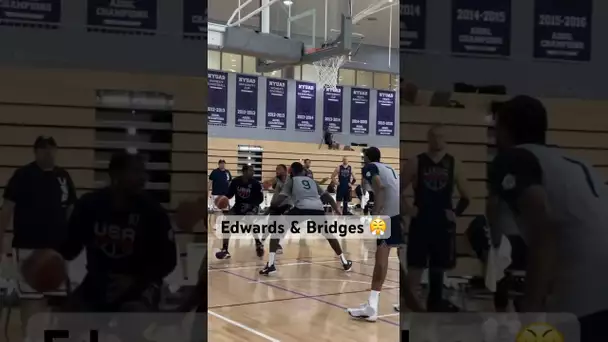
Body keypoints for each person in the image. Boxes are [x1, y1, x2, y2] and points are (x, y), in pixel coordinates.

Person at [487, 95, 608, 341]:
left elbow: (544, 231)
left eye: (496, 129)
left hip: (580, 299)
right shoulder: (576, 163)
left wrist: (530, 313)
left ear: (506, 129)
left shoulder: (512, 159)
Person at [57, 150, 177, 313]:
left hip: (141, 284)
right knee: (68, 317)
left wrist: (135, 280)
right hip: (98, 282)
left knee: (132, 315)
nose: (143, 178)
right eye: (136, 172)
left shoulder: (153, 212)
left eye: (144, 172)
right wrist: (50, 257)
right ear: (115, 175)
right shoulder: (90, 205)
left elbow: (168, 261)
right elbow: (71, 247)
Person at [0, 136, 77, 331]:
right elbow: (7, 209)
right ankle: (31, 336)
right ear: (35, 152)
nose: (48, 152)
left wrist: (74, 241)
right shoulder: (22, 175)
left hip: (57, 249)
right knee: (31, 298)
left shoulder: (63, 177)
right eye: (43, 149)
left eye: (51, 149)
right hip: (29, 248)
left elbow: (71, 211)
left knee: (56, 300)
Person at [347, 147, 424, 321]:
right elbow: (397, 192)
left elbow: (380, 189)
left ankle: (372, 307)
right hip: (396, 215)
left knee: (380, 259)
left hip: (385, 216)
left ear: (367, 158)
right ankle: (406, 300)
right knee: (396, 257)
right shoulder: (389, 168)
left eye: (362, 157)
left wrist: (375, 214)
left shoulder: (370, 168)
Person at [401, 124, 471, 312]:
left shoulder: (454, 164)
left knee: (438, 268)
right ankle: (411, 308)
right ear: (428, 138)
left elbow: (467, 197)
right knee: (415, 267)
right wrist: (407, 209)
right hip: (421, 222)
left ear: (445, 139)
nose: (437, 140)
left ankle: (435, 305)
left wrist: (455, 214)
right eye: (434, 136)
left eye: (441, 136)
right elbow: (397, 189)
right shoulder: (416, 162)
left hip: (442, 224)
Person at [259, 162, 352, 275]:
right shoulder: (312, 181)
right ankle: (345, 262)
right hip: (317, 209)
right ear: (303, 171)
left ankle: (271, 265)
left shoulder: (291, 181)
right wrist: (336, 208)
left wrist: (271, 209)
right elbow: (326, 196)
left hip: (301, 208)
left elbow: (281, 198)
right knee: (329, 235)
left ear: (290, 171)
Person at [215, 165, 264, 259]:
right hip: (238, 206)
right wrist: (222, 199)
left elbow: (260, 199)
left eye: (253, 171)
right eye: (251, 170)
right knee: (226, 223)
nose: (253, 172)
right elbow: (229, 194)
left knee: (250, 222)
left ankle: (258, 243)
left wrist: (250, 206)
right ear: (244, 172)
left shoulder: (256, 183)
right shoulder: (236, 181)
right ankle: (225, 250)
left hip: (252, 206)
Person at [260, 164, 290, 253]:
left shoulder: (290, 181)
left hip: (285, 206)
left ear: (285, 171)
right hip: (275, 206)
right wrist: (266, 184)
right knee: (270, 226)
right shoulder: (277, 179)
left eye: (279, 169)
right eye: (276, 169)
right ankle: (262, 241)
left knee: (282, 226)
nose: (277, 171)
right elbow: (269, 182)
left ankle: (277, 243)